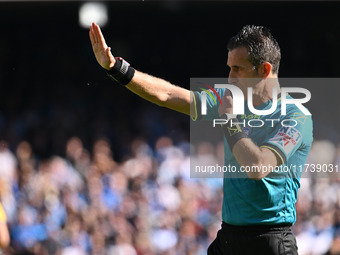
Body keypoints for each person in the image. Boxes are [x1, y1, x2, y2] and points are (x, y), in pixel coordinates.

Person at [89, 23, 313, 254]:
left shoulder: (295, 117)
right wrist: (117, 68)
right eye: (229, 68)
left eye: (238, 69)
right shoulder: (229, 98)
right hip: (228, 238)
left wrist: (228, 121)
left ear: (264, 70)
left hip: (270, 242)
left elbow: (257, 167)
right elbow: (167, 95)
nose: (230, 78)